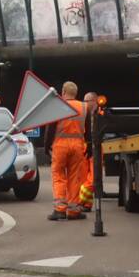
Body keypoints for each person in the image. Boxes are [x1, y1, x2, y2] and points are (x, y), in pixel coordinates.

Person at [43, 81, 87, 221]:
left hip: (60, 145)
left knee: (59, 175)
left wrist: (46, 145)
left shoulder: (58, 106)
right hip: (78, 145)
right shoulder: (84, 107)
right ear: (76, 93)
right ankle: (73, 211)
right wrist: (90, 145)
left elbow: (50, 129)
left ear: (63, 91)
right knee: (75, 177)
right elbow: (90, 128)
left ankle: (60, 209)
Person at [78, 92, 101, 212]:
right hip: (84, 149)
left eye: (87, 101)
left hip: (96, 149)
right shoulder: (83, 115)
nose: (84, 103)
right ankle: (86, 205)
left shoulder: (101, 114)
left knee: (93, 179)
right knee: (82, 177)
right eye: (84, 101)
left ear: (95, 102)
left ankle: (80, 201)